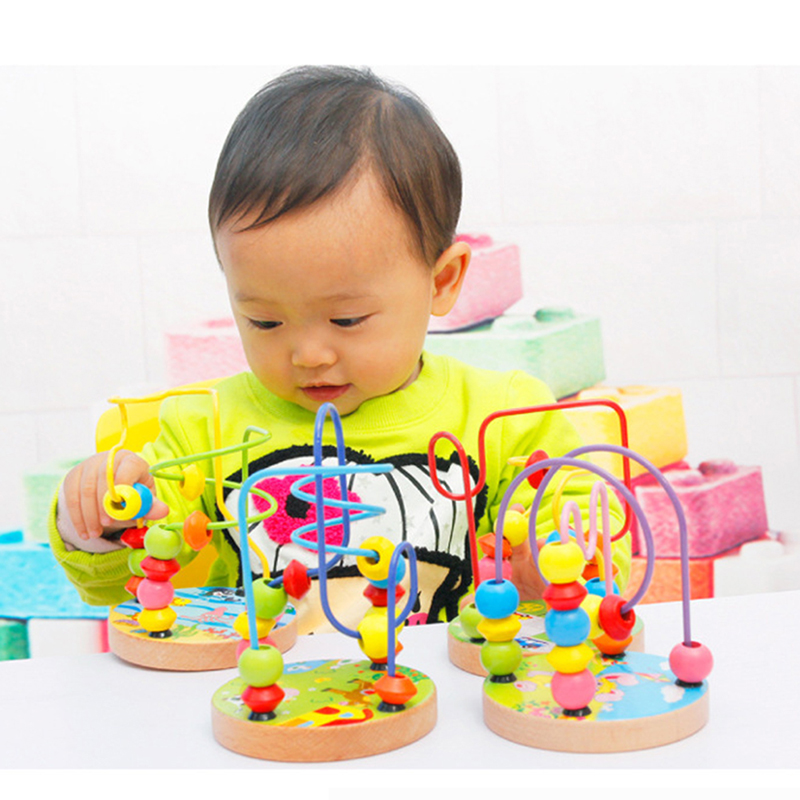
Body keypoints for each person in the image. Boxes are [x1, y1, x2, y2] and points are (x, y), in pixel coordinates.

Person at [50, 66, 630, 634]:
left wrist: (557, 568)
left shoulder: (504, 419)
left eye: (347, 319)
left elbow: (592, 532)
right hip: (271, 686)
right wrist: (101, 520)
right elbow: (125, 581)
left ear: (442, 281)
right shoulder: (205, 428)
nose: (309, 355)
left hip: (442, 691)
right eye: (264, 320)